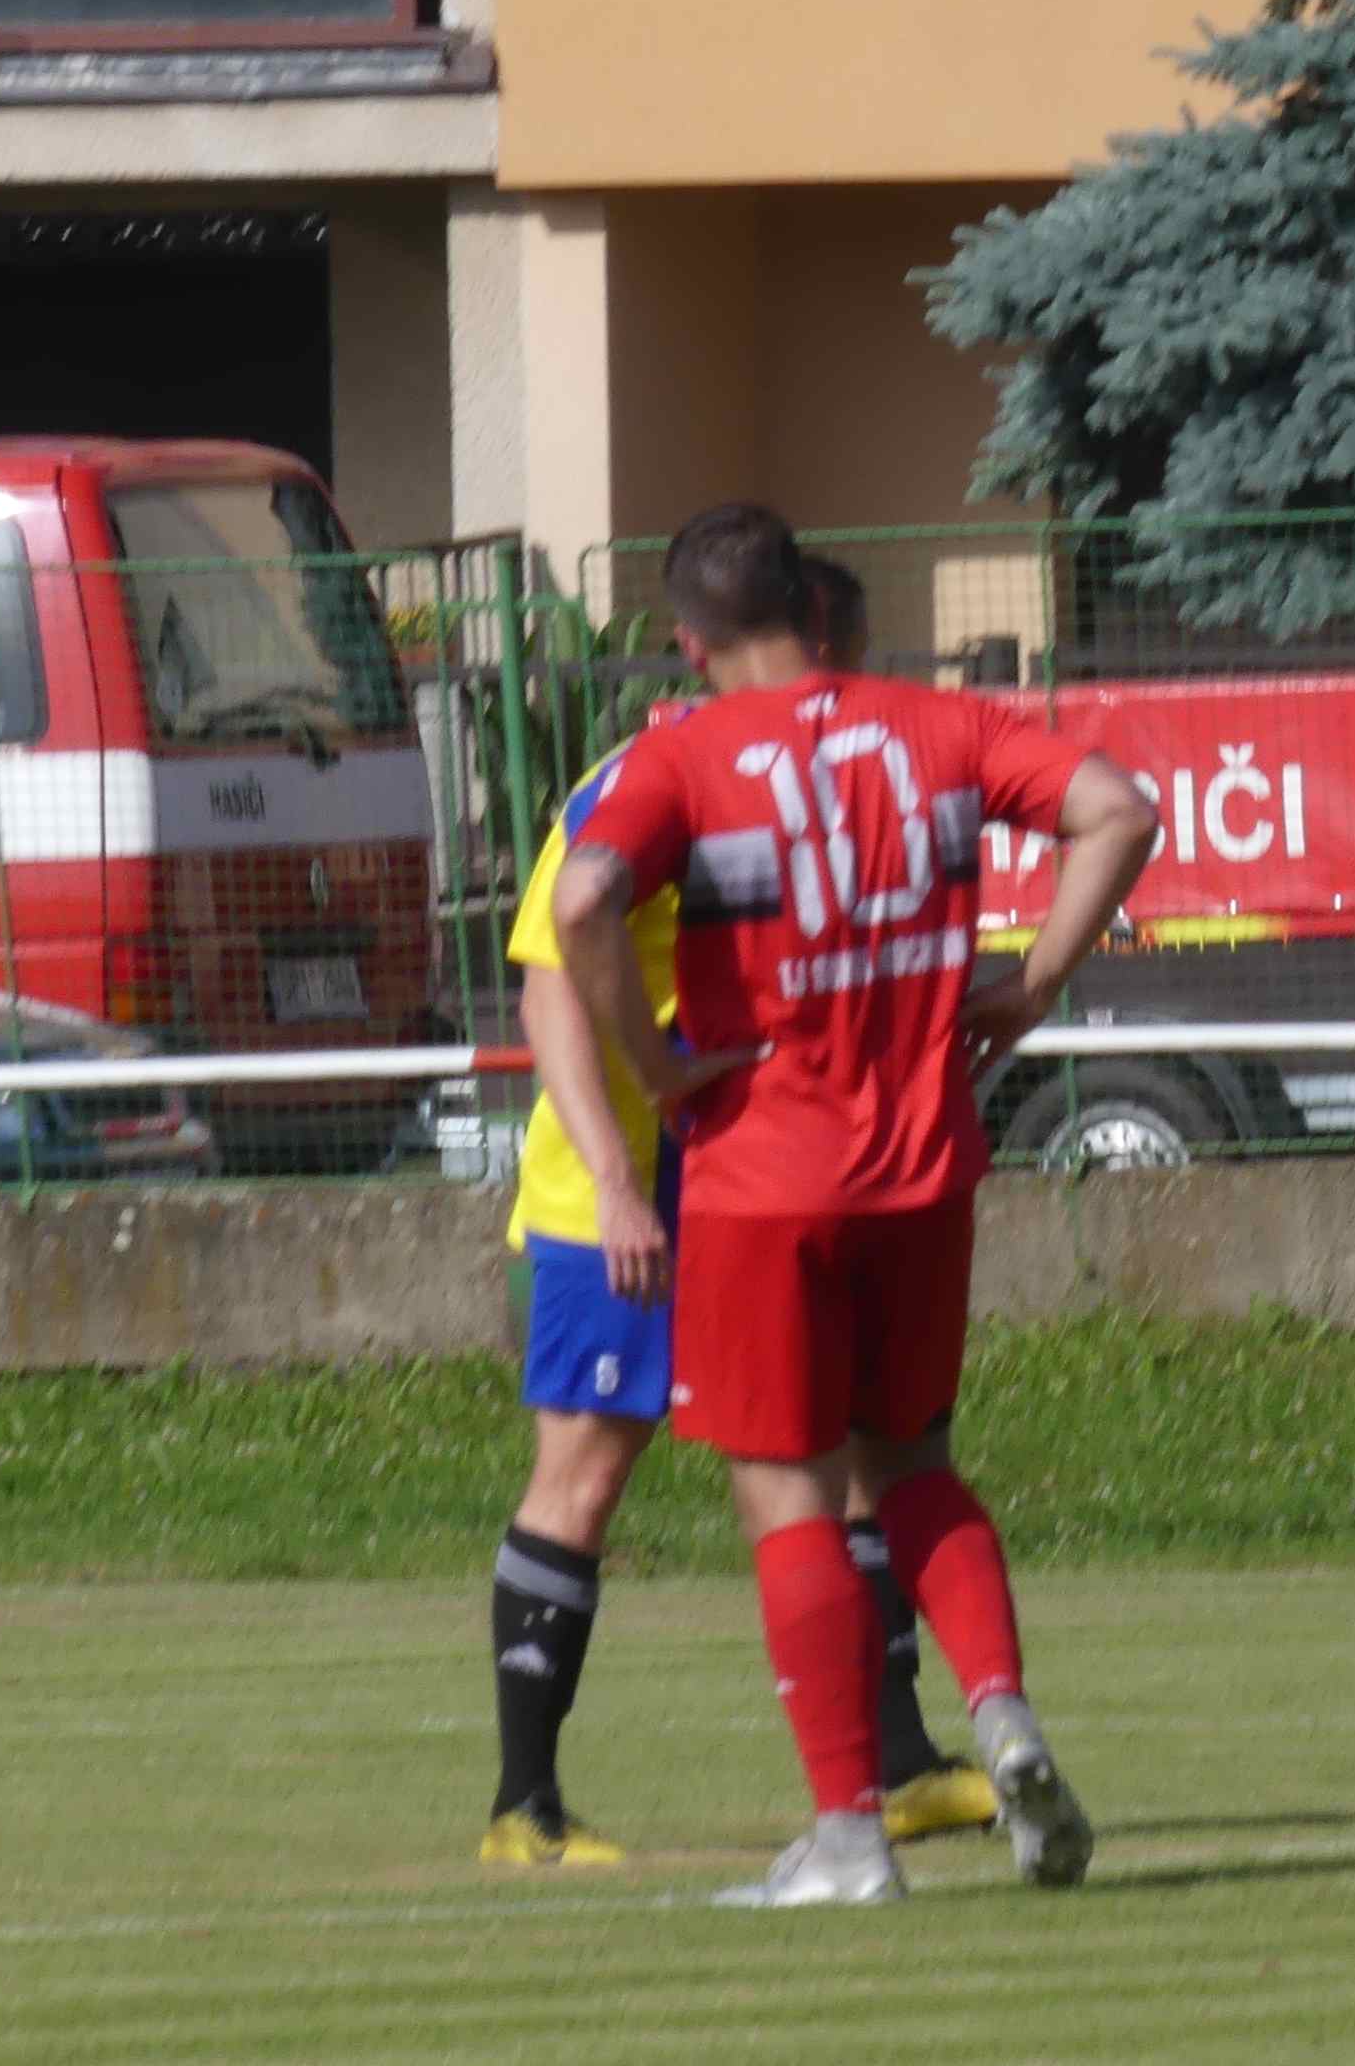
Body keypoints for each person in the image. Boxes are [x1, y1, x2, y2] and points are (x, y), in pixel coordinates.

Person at [550, 503, 1159, 1907]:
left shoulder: (682, 754)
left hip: (764, 1180)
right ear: (814, 611)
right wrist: (1037, 980)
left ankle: (845, 1838)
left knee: (789, 1499)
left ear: (686, 640)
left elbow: (583, 901)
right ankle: (1001, 1712)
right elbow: (1119, 810)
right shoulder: (940, 726)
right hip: (923, 1170)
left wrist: (656, 1067)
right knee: (916, 1468)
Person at [482, 561, 1003, 1867]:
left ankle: (897, 1766)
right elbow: (550, 988)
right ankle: (523, 1807)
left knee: (840, 1457)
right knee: (589, 1472)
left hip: (767, 1167)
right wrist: (616, 1181)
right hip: (620, 1185)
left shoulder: (817, 774)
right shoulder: (643, 778)